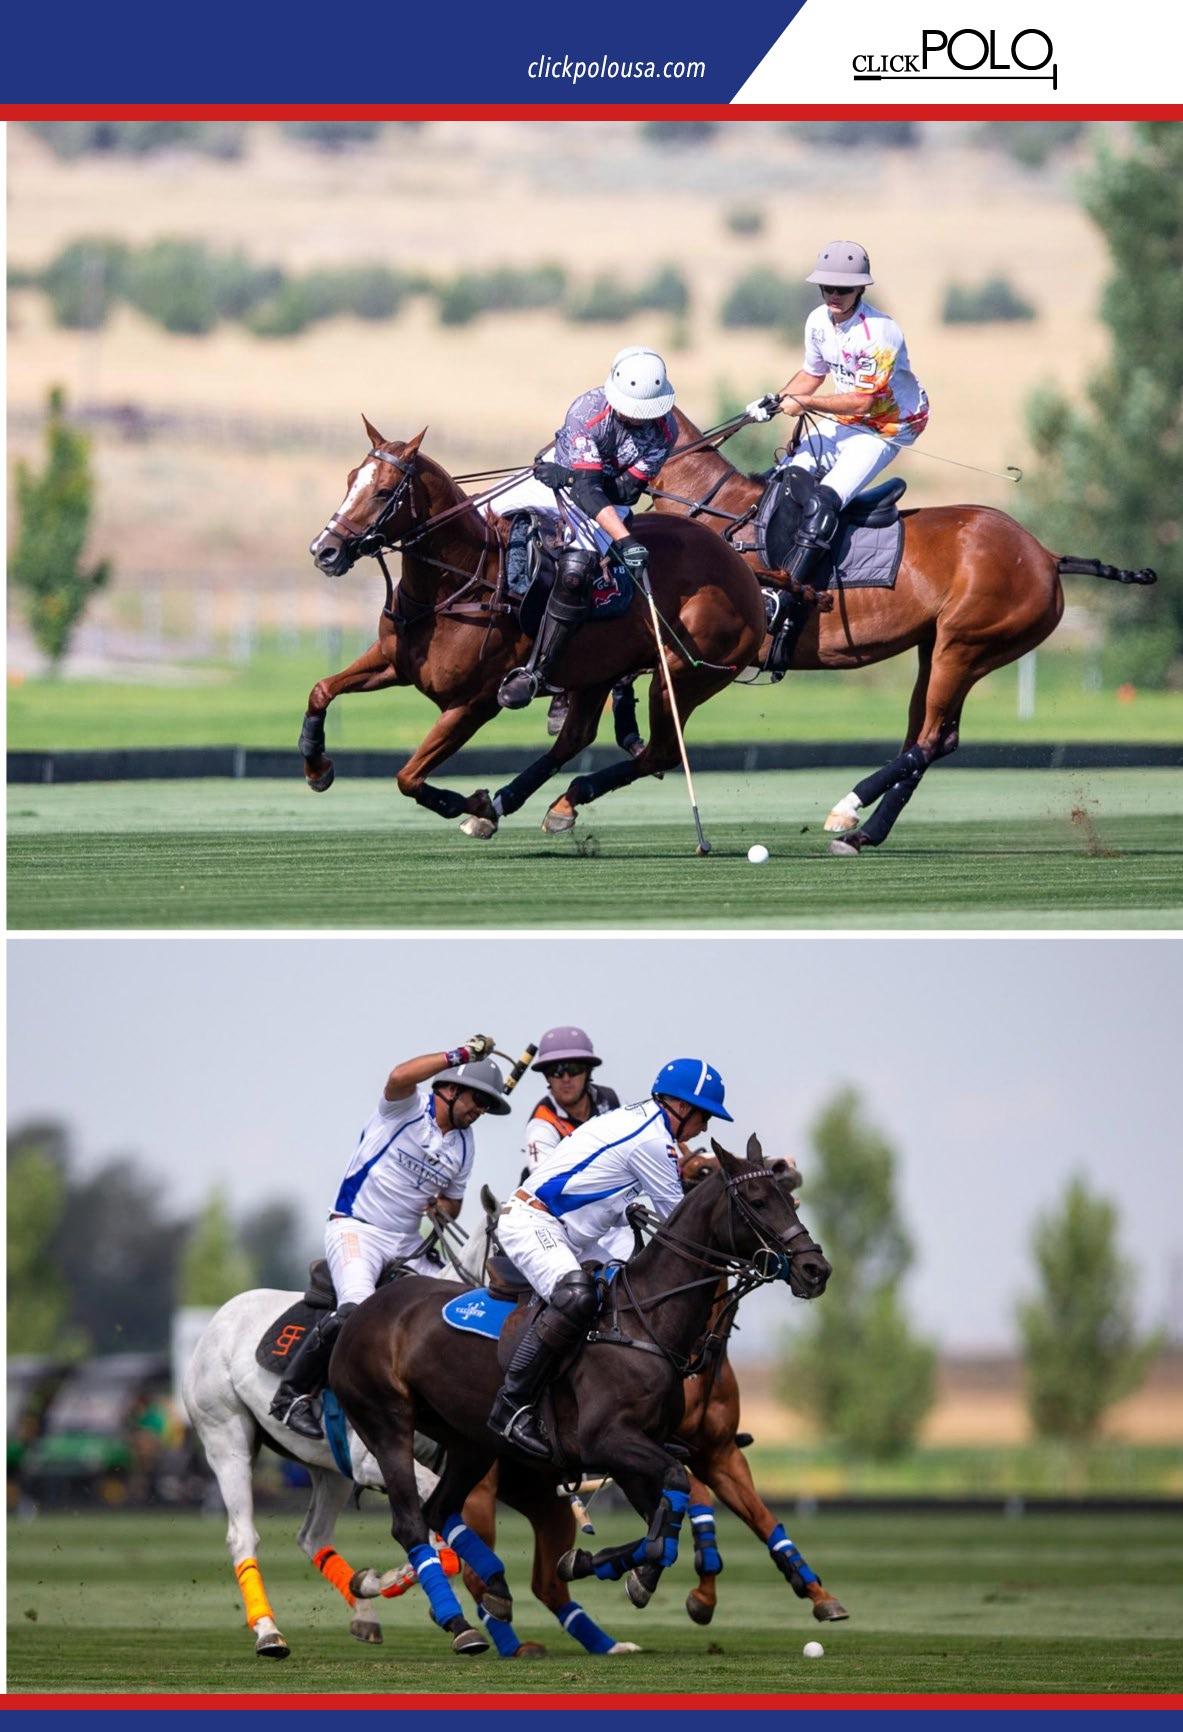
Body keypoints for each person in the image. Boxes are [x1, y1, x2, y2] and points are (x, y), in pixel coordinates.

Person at [487, 1057, 733, 1460]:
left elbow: (611, 1189)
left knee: (631, 1296)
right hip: (533, 1220)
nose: (704, 1127)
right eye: (704, 1116)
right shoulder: (653, 1140)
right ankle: (511, 1406)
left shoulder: (647, 1123)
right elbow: (681, 1224)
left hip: (573, 1233)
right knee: (577, 1297)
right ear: (681, 1107)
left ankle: (621, 1415)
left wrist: (629, 1209)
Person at [270, 1036, 513, 1439]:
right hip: (357, 1228)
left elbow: (453, 1203)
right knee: (356, 1311)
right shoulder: (406, 1109)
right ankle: (292, 1395)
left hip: (406, 1242)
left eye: (487, 1105)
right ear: (450, 1089)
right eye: (478, 1099)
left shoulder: (464, 1145)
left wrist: (441, 1207)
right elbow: (399, 1075)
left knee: (454, 1305)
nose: (480, 1111)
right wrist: (460, 1055)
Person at [745, 241, 929, 661]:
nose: (833, 295)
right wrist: (776, 399)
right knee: (787, 480)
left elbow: (862, 403)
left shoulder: (879, 334)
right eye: (827, 287)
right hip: (847, 419)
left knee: (824, 500)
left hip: (887, 427)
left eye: (843, 289)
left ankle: (787, 594)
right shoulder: (817, 322)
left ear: (860, 289)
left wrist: (806, 403)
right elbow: (812, 373)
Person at [495, 346, 680, 711]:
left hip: (600, 496)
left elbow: (625, 491)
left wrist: (574, 480)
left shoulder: (665, 429)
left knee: (577, 571)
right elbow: (585, 486)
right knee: (480, 513)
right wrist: (572, 479)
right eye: (630, 409)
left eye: (643, 412)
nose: (637, 418)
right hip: (552, 478)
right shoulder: (588, 411)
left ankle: (540, 674)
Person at [521, 1024, 621, 1181]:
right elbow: (545, 1183)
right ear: (547, 1077)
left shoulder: (612, 1100)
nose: (566, 1078)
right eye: (556, 1071)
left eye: (574, 1069)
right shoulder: (541, 1123)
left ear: (588, 1071)